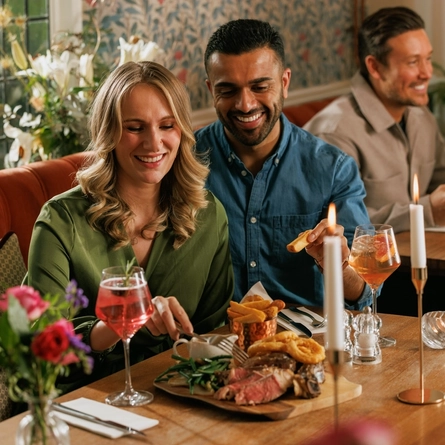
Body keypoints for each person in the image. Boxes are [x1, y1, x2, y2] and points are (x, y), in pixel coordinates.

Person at [26, 61, 234, 384]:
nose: (154, 143)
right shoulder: (60, 222)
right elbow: (44, 352)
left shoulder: (209, 215)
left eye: (167, 125)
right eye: (135, 127)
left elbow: (215, 336)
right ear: (108, 133)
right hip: (82, 407)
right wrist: (117, 322)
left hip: (180, 398)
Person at [195, 19, 372, 309]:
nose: (245, 104)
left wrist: (338, 267)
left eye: (259, 86)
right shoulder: (181, 163)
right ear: (210, 89)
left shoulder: (333, 169)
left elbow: (364, 294)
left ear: (285, 83)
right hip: (211, 344)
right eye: (227, 91)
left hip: (307, 343)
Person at [304, 6, 445, 233]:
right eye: (412, 62)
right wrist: (427, 211)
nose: (427, 72)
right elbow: (337, 225)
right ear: (375, 67)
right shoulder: (333, 133)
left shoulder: (420, 115)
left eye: (427, 59)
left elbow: (440, 179)